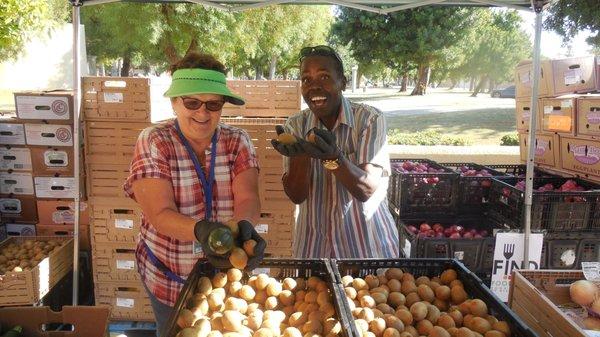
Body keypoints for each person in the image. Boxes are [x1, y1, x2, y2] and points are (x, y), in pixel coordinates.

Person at [124, 52, 266, 335]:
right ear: (175, 102)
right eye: (192, 103)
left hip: (224, 274)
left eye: (213, 104)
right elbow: (159, 214)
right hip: (169, 273)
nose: (203, 113)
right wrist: (201, 230)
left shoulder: (237, 141)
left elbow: (248, 198)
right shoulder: (154, 140)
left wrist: (244, 228)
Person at [271, 45, 399, 258]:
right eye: (306, 80)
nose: (314, 87)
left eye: (324, 77)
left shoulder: (369, 120)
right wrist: (301, 155)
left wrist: (334, 158)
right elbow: (296, 196)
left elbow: (366, 189)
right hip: (314, 249)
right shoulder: (295, 126)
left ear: (343, 82)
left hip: (366, 250)